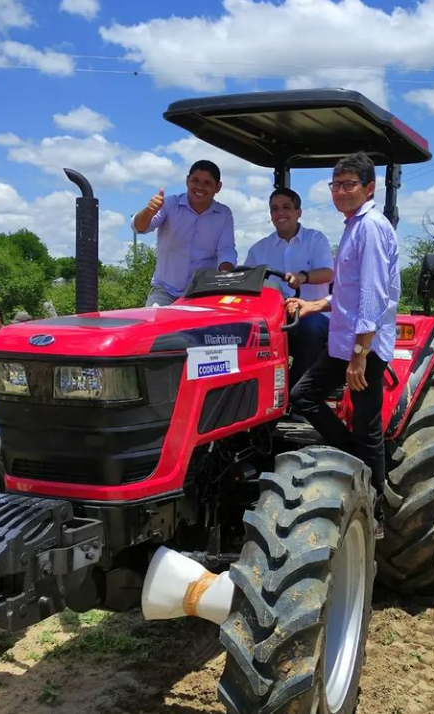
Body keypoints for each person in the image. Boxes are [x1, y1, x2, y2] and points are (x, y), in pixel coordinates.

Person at [286, 152, 399, 539]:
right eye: (335, 185)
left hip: (362, 346)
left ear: (369, 188)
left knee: (369, 425)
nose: (340, 191)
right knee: (302, 396)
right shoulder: (352, 226)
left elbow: (372, 295)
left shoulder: (369, 227)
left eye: (349, 184)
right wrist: (316, 303)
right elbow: (347, 292)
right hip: (343, 340)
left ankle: (377, 510)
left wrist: (359, 356)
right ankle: (353, 460)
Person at [245, 188, 333, 386]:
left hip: (313, 314)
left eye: (286, 207)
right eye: (275, 209)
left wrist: (303, 277)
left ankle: (297, 392)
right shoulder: (259, 249)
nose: (280, 213)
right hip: (272, 318)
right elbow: (247, 281)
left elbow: (328, 273)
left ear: (298, 211)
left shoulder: (315, 239)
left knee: (309, 328)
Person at [132, 160, 237, 306]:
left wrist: (226, 276)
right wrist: (148, 212)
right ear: (187, 181)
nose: (200, 187)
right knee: (152, 325)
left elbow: (226, 250)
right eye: (195, 180)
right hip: (165, 292)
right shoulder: (169, 204)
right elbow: (139, 228)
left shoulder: (224, 213)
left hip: (203, 293)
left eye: (207, 183)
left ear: (218, 187)